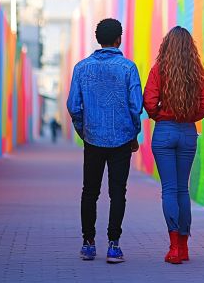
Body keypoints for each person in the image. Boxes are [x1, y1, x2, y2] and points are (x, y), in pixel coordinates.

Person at [67, 18, 142, 263]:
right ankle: (113, 245)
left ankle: (88, 243)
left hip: (93, 139)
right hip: (121, 140)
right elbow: (136, 106)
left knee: (90, 192)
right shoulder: (128, 68)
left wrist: (84, 131)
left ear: (98, 40)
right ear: (118, 39)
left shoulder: (81, 68)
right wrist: (133, 134)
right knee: (118, 192)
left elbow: (73, 106)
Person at [143, 26, 204, 264]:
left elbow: (149, 103)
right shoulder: (198, 72)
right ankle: (183, 248)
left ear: (166, 46)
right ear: (189, 48)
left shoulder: (158, 70)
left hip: (164, 132)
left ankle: (173, 248)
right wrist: (190, 116)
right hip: (187, 133)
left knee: (169, 190)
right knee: (183, 190)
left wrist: (161, 115)